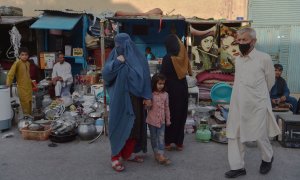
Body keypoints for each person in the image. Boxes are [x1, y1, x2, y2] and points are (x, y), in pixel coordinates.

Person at [225, 27, 281, 178]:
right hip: (238, 103)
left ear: (253, 41)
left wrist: (257, 95)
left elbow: (270, 81)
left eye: (245, 40)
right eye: (239, 40)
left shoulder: (264, 58)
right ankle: (238, 167)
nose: (241, 43)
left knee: (259, 135)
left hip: (257, 104)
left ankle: (267, 158)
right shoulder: (238, 59)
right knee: (234, 134)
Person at [102, 33, 152, 172]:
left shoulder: (139, 58)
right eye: (117, 44)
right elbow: (106, 75)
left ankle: (127, 154)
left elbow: (146, 77)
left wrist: (147, 96)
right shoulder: (114, 56)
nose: (120, 47)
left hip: (136, 98)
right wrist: (118, 62)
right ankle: (115, 156)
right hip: (119, 98)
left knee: (133, 127)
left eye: (122, 44)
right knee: (117, 125)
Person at [160, 34, 192, 151]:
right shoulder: (183, 57)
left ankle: (168, 142)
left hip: (171, 90)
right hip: (182, 89)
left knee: (170, 115)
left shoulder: (167, 58)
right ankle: (179, 142)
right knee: (181, 114)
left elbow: (162, 75)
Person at [146, 73, 171, 165]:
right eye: (159, 83)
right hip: (151, 121)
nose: (161, 86)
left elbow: (167, 107)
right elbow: (146, 108)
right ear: (154, 83)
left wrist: (168, 120)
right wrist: (146, 104)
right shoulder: (150, 95)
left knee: (161, 137)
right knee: (153, 138)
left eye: (163, 84)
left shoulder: (166, 95)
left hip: (162, 121)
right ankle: (156, 153)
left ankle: (161, 154)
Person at [6, 47, 33, 115]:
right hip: (22, 88)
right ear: (19, 56)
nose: (24, 56)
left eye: (26, 55)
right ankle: (26, 120)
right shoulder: (17, 63)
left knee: (30, 103)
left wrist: (32, 83)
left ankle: (30, 118)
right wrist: (8, 84)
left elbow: (28, 75)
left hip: (29, 87)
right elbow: (10, 74)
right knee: (25, 104)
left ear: (28, 55)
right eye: (22, 55)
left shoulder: (28, 63)